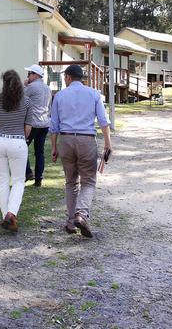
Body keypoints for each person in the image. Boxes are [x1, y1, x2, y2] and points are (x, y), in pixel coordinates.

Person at [50, 64, 112, 238]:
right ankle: (82, 214)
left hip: (66, 139)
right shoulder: (94, 94)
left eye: (64, 77)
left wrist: (54, 147)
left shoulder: (59, 96)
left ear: (68, 77)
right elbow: (103, 121)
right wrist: (108, 143)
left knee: (70, 182)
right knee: (89, 180)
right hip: (86, 140)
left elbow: (53, 125)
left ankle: (71, 222)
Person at [0, 70, 32, 232]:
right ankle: (11, 213)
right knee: (18, 180)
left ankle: (5, 215)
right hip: (18, 142)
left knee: (2, 180)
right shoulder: (27, 102)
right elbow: (28, 129)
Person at [23, 64, 52, 187]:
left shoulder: (31, 87)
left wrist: (24, 85)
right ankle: (39, 178)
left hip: (32, 123)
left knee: (22, 147)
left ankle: (28, 172)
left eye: (29, 74)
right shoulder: (47, 88)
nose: (27, 76)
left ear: (35, 75)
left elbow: (19, 98)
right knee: (39, 151)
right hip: (44, 123)